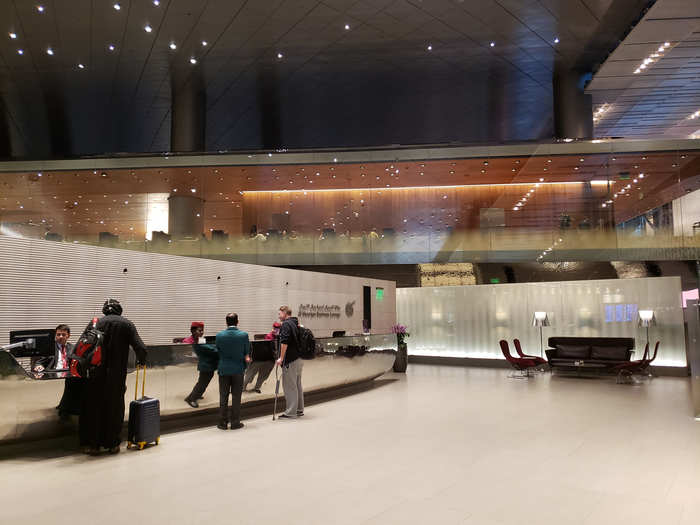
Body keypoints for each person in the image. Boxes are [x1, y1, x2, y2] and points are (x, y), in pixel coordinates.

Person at [79, 299, 147, 455]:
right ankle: (112, 444)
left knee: (94, 409)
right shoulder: (127, 325)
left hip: (95, 374)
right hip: (116, 376)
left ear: (105, 310)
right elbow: (141, 348)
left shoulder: (95, 323)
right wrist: (141, 361)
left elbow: (83, 346)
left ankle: (93, 445)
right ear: (119, 310)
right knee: (115, 408)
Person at [34, 324, 84, 420]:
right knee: (72, 382)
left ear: (68, 336)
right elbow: (39, 362)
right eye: (58, 334)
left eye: (63, 335)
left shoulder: (72, 348)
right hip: (54, 371)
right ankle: (66, 409)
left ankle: (69, 408)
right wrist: (38, 366)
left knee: (78, 381)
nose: (60, 337)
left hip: (67, 371)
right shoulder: (50, 347)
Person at [216, 313, 251, 430]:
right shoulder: (244, 335)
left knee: (223, 396)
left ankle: (222, 423)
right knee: (236, 397)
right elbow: (247, 352)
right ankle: (235, 422)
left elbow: (218, 351)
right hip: (238, 370)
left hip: (223, 369)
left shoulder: (219, 335)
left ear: (226, 322)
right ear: (237, 322)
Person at [276, 306, 304, 419]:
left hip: (290, 359)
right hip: (299, 359)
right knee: (297, 385)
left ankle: (291, 412)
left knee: (289, 386)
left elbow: (284, 342)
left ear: (284, 313)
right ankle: (299, 409)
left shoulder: (286, 324)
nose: (278, 316)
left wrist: (281, 358)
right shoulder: (296, 323)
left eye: (279, 314)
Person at [184, 322, 217, 408]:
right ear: (193, 331)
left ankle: (195, 395)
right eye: (199, 330)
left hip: (208, 364)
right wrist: (216, 346)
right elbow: (213, 349)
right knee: (202, 383)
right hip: (206, 365)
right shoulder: (197, 342)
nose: (202, 332)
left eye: (202, 330)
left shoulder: (200, 339)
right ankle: (191, 399)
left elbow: (210, 346)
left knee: (203, 383)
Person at [243, 322, 278, 393]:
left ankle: (257, 387)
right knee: (250, 374)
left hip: (269, 360)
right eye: (274, 328)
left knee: (263, 375)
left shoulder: (277, 337)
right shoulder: (269, 336)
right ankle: (243, 387)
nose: (275, 330)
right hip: (258, 359)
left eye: (277, 329)